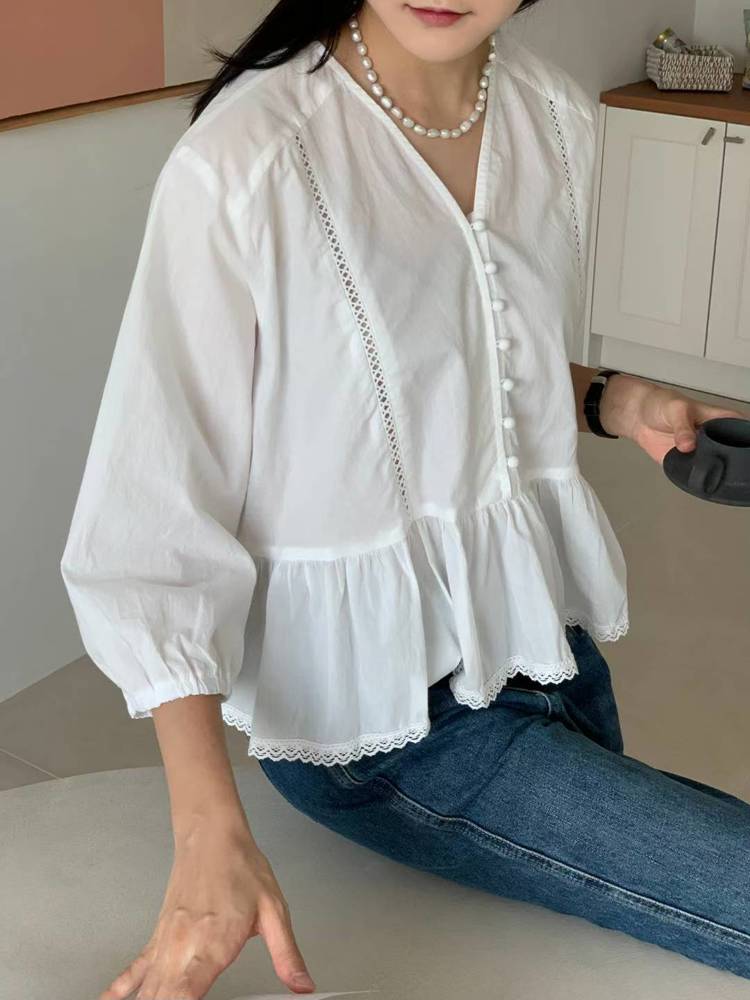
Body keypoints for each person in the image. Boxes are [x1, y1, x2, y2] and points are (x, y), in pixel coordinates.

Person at [59, 2, 750, 998]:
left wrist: (614, 398)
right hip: (382, 730)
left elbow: (467, 359)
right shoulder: (250, 155)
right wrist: (209, 834)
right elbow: (153, 513)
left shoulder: (553, 116)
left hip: (546, 653)